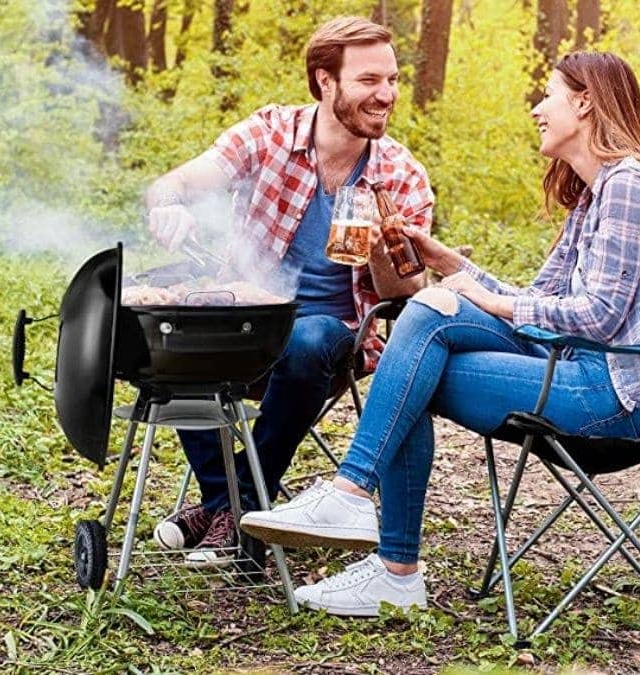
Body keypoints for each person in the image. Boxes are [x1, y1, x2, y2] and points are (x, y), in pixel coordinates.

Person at [238, 50, 640, 616]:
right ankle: (372, 536)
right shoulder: (591, 195)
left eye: (549, 95)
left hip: (619, 392)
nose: (537, 109)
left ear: (584, 102)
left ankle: (377, 538)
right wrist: (444, 264)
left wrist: (485, 301)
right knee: (423, 335)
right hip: (574, 365)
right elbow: (540, 296)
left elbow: (601, 314)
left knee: (415, 362)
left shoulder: (629, 184)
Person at [142, 17, 433, 566]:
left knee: (310, 336)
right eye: (370, 80)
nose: (387, 95)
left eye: (392, 80)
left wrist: (377, 244)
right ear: (326, 82)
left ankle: (237, 505)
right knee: (174, 333)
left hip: (336, 338)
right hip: (248, 320)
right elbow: (181, 178)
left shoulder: (400, 175)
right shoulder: (271, 133)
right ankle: (232, 507)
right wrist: (169, 204)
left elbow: (410, 291)